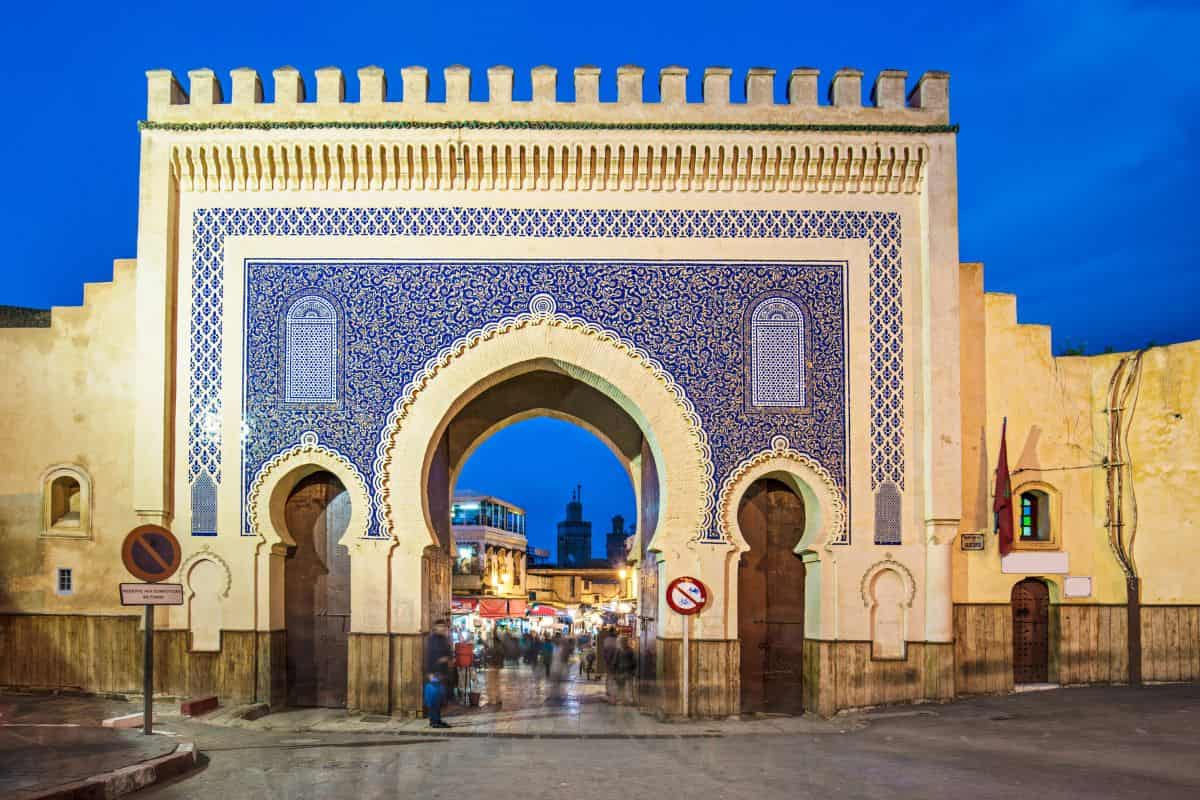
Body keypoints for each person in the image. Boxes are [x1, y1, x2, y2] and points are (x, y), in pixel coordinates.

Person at [424, 620, 453, 728]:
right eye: (440, 626)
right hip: (435, 672)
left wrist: (448, 659)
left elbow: (448, 652)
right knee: (434, 698)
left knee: (440, 698)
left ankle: (437, 720)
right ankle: (434, 721)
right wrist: (430, 672)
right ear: (435, 627)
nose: (442, 628)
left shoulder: (444, 639)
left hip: (442, 672)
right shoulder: (432, 639)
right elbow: (430, 656)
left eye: (443, 626)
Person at [614, 636, 638, 705]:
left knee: (627, 686)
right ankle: (625, 700)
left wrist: (633, 670)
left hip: (627, 671)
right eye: (621, 642)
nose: (622, 643)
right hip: (623, 671)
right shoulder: (621, 650)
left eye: (623, 641)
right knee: (623, 686)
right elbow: (615, 661)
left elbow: (634, 661)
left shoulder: (629, 651)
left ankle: (628, 700)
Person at [454, 633, 476, 704]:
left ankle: (463, 693)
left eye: (462, 637)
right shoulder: (464, 646)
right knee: (462, 680)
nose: (461, 639)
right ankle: (463, 693)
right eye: (460, 637)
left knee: (463, 680)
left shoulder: (461, 646)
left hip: (463, 665)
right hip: (463, 665)